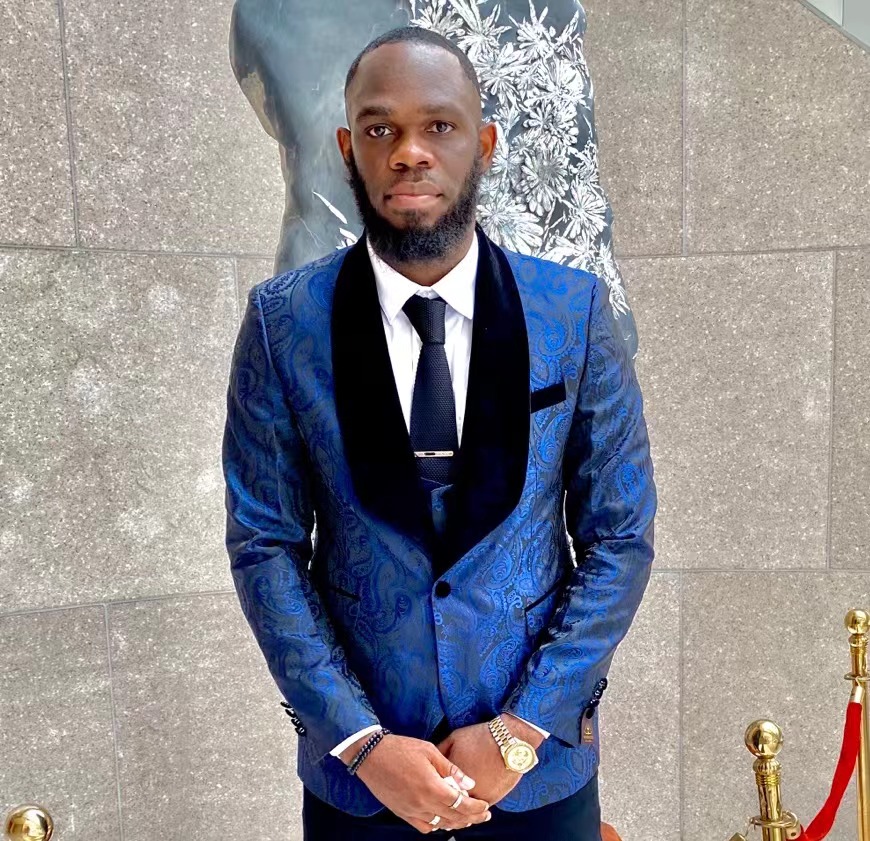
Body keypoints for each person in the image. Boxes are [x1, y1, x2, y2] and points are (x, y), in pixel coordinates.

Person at [221, 25, 657, 839]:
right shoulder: (283, 324)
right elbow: (264, 545)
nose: (409, 151)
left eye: (439, 125)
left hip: (537, 780)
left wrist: (523, 727)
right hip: (362, 787)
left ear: (483, 144)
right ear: (348, 150)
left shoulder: (573, 312)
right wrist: (359, 740)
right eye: (380, 128)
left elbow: (620, 536)